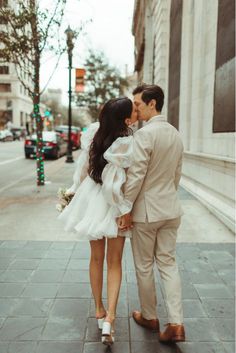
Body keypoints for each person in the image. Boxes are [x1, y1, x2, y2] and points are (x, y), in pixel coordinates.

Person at [58, 97, 137, 346]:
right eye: (132, 111)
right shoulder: (127, 142)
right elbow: (126, 179)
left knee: (96, 258)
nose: (136, 112)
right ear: (125, 118)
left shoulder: (94, 132)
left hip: (93, 197)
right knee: (114, 262)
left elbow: (83, 169)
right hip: (114, 201)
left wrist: (73, 193)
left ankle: (99, 309)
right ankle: (110, 319)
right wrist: (126, 209)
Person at [118, 84, 185, 343]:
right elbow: (176, 174)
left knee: (144, 265)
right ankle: (176, 324)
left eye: (138, 104)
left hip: (147, 212)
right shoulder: (175, 134)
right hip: (171, 208)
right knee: (168, 263)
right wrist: (168, 196)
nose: (135, 109)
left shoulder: (144, 135)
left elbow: (135, 177)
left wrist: (125, 208)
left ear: (152, 103)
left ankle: (149, 315)